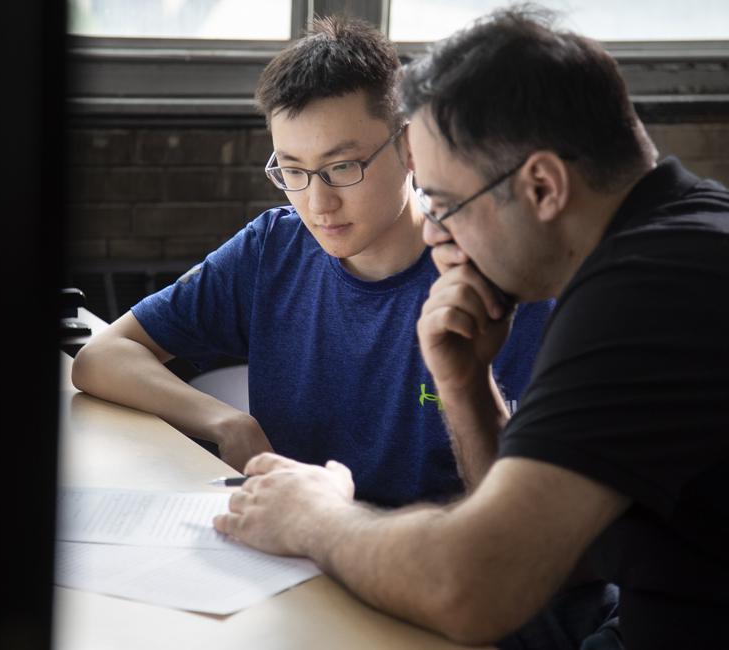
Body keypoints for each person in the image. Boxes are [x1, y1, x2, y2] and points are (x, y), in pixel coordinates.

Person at [213, 8, 729, 650]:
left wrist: (317, 519)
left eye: (445, 203)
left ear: (542, 187)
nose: (433, 233)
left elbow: (477, 587)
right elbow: (548, 551)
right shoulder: (679, 237)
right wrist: (464, 382)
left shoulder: (647, 294)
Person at [71, 17, 553, 508]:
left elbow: (524, 519)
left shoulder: (497, 278)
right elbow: (102, 358)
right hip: (296, 556)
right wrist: (226, 422)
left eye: (342, 167)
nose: (318, 203)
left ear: (411, 147)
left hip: (424, 564)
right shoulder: (273, 250)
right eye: (293, 170)